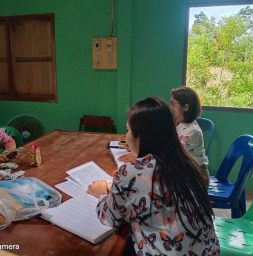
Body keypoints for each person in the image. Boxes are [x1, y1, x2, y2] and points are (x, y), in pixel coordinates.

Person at [88, 97, 219, 256]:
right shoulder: (187, 162)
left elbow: (110, 218)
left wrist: (102, 192)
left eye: (128, 130)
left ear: (141, 136)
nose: (126, 136)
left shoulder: (131, 173)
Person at [170, 86, 209, 188]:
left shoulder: (192, 131)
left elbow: (172, 153)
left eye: (173, 104)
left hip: (197, 176)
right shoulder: (179, 123)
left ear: (186, 107)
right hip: (186, 171)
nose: (171, 108)